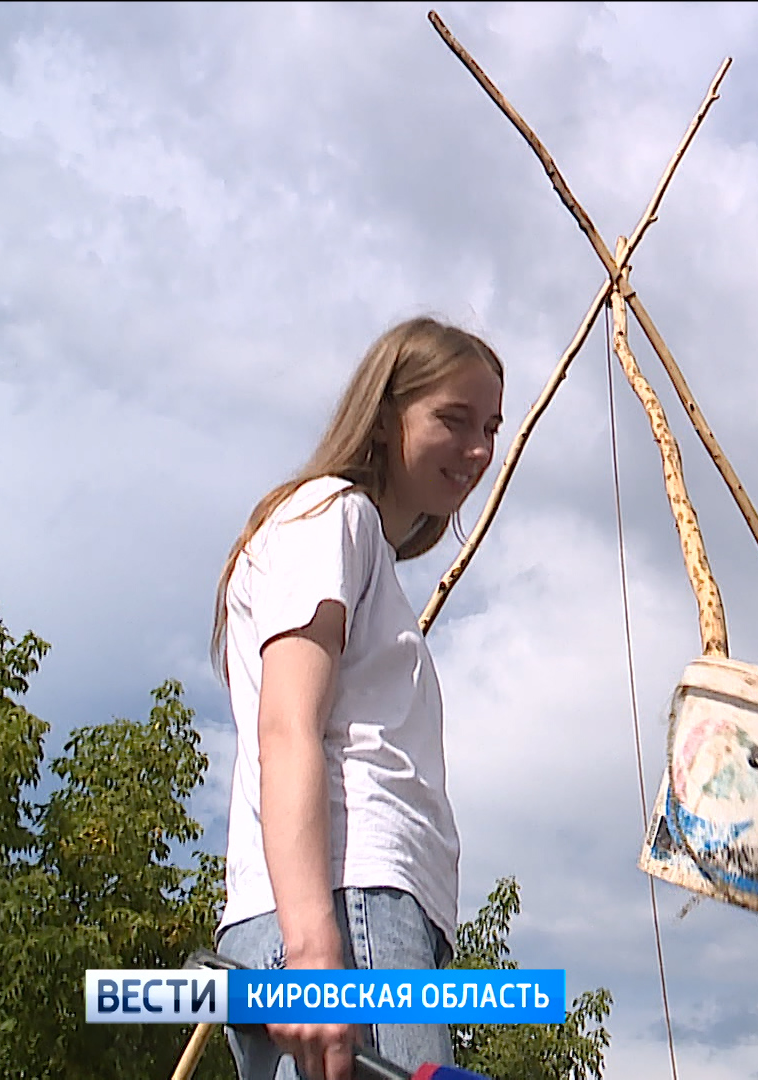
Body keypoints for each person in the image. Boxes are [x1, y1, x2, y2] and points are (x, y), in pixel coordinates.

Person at [211, 317, 504, 1080]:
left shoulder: (357, 542)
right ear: (384, 416)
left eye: (492, 428)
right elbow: (288, 729)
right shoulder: (331, 516)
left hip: (356, 912)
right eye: (453, 419)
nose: (479, 450)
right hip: (346, 904)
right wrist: (312, 956)